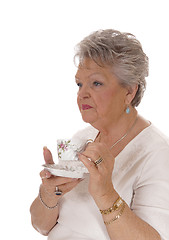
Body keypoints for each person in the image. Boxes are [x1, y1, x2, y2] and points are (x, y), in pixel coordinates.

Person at [30, 29, 169, 240]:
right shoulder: (82, 138)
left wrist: (106, 194)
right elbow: (41, 226)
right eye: (79, 84)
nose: (81, 94)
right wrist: (50, 193)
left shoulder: (157, 154)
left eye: (96, 83)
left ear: (129, 92)